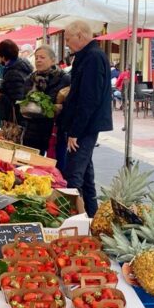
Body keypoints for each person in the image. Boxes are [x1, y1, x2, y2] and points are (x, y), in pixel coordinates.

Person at [56, 20, 112, 217]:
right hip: (83, 124)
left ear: (80, 35)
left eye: (69, 39)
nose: (67, 44)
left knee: (73, 176)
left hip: (85, 126)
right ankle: (91, 216)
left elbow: (89, 98)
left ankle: (74, 220)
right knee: (86, 176)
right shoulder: (87, 56)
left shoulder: (93, 58)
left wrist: (75, 132)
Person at [20, 45, 70, 155]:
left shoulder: (64, 78)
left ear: (53, 60)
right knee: (31, 162)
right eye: (37, 57)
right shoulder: (30, 79)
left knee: (55, 163)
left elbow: (70, 104)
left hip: (54, 129)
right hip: (32, 129)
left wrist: (60, 108)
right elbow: (23, 101)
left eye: (42, 57)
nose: (38, 60)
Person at [0, 40, 33, 126]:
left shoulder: (13, 73)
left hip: (16, 120)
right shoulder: (20, 66)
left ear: (3, 56)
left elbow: (16, 101)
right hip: (23, 118)